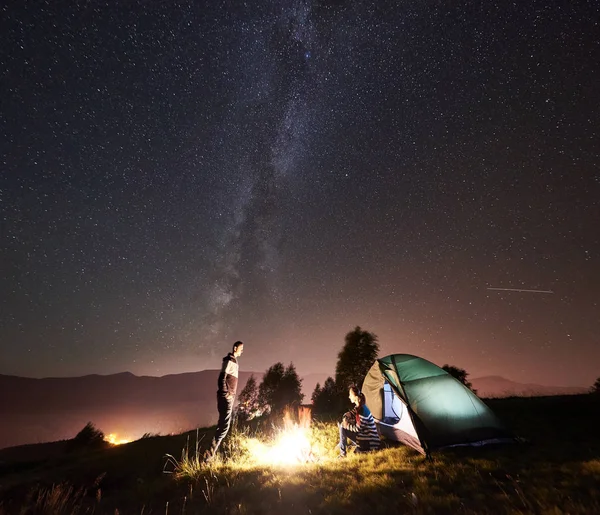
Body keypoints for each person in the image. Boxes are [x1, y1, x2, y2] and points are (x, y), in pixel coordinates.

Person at [204, 340, 244, 461]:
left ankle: (210, 454)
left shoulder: (234, 361)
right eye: (241, 348)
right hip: (226, 398)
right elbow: (222, 378)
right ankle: (209, 456)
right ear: (235, 348)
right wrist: (226, 394)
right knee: (224, 427)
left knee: (222, 425)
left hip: (227, 397)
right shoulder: (229, 360)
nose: (242, 351)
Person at [338, 385, 380, 457]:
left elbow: (357, 429)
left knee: (343, 427)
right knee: (343, 425)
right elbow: (353, 412)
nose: (349, 397)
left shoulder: (362, 411)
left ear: (355, 397)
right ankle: (343, 446)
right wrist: (346, 415)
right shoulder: (360, 406)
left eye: (350, 395)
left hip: (370, 442)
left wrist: (346, 425)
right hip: (366, 437)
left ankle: (342, 454)